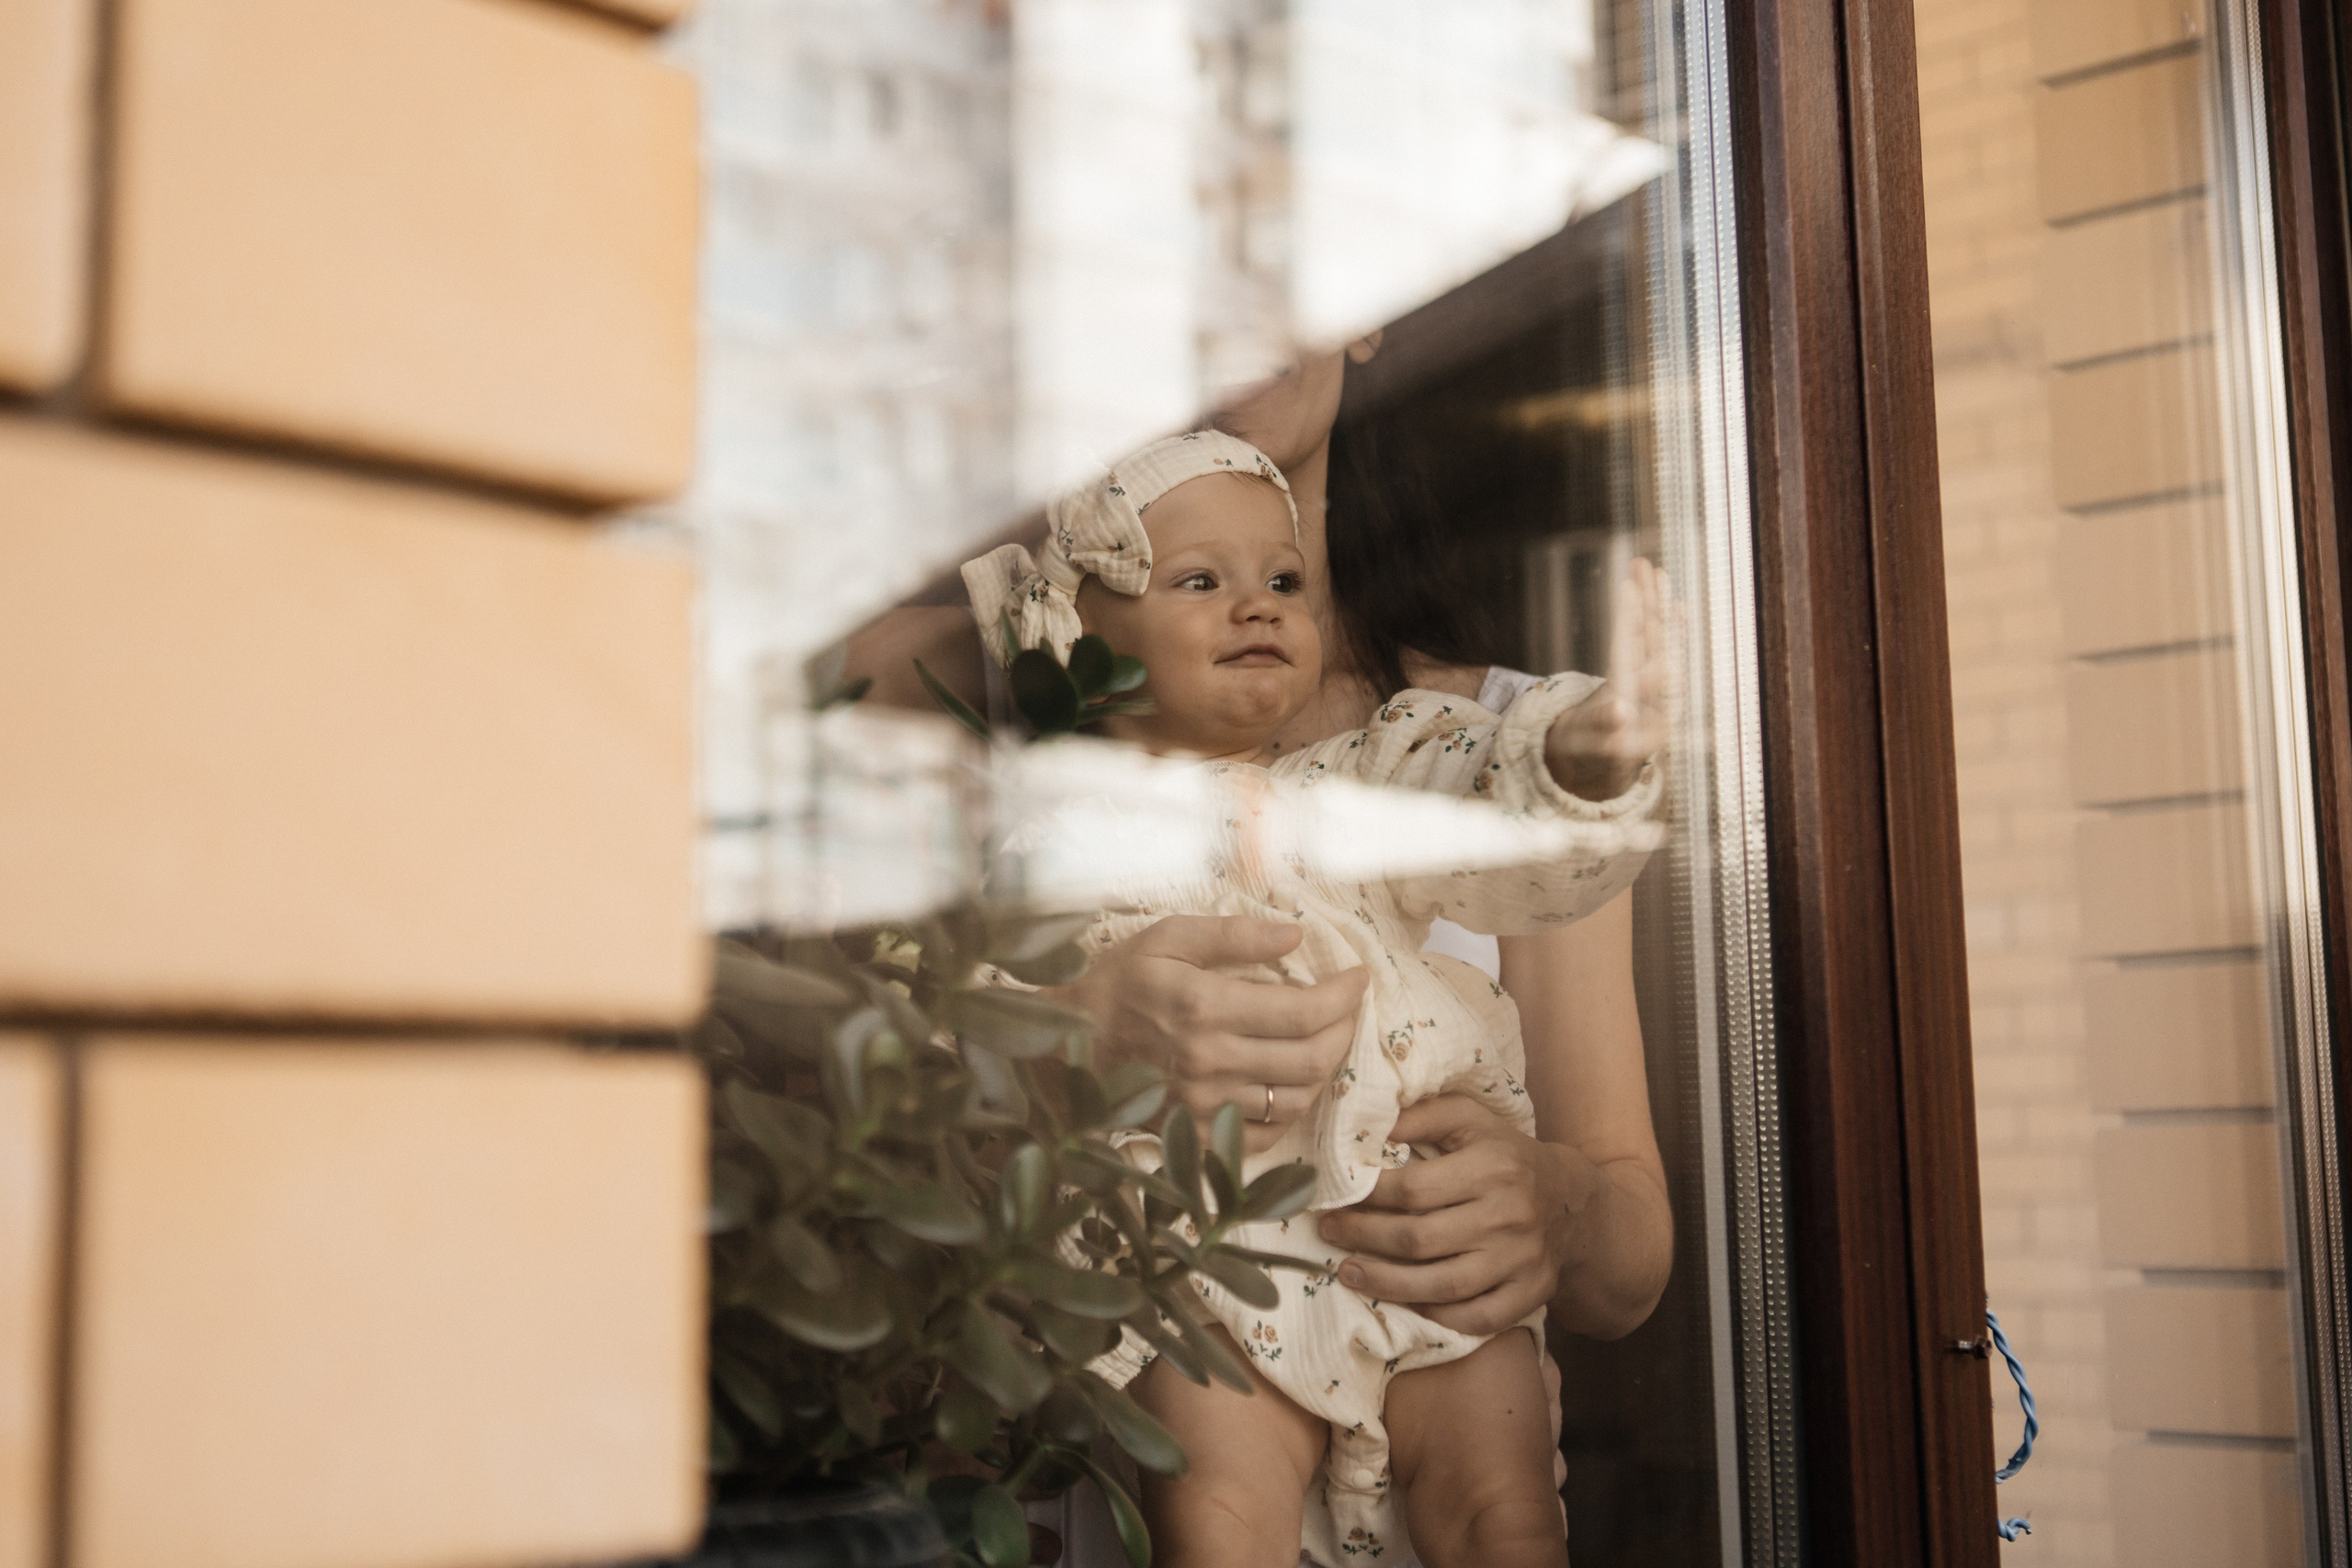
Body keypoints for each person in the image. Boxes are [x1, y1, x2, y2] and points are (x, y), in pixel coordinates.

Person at [960, 428, 1668, 1568]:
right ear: (1085, 643)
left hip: (1412, 1231)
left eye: (1281, 582)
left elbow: (1489, 807)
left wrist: (1583, 759)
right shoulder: (1057, 834)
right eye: (1201, 582)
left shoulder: (1378, 767)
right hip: (1211, 1258)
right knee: (1220, 1517)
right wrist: (1068, 1037)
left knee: (1505, 1513)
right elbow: (970, 1045)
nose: (1257, 609)